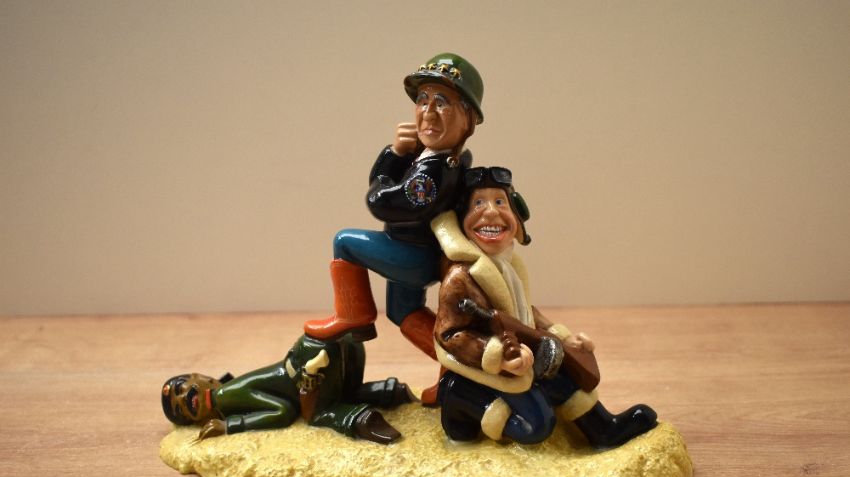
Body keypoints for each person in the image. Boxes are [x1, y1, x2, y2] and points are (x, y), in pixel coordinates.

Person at [432, 167, 657, 447]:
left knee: (566, 379)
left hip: (524, 355)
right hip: (485, 370)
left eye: (500, 202)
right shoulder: (460, 278)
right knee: (536, 427)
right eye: (478, 203)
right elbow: (450, 334)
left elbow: (523, 312)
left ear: (517, 216)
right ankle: (461, 397)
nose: (490, 212)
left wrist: (560, 335)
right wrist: (498, 356)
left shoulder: (507, 265)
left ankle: (602, 429)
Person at [304, 53, 484, 362]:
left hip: (415, 256)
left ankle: (353, 315)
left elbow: (382, 203)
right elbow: (380, 186)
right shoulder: (436, 158)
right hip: (416, 251)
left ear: (467, 119)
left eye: (442, 103)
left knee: (344, 242)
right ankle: (457, 365)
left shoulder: (436, 171)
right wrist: (396, 152)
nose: (428, 113)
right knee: (403, 312)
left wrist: (393, 160)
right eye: (422, 101)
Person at [161, 334, 414, 444]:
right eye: (179, 408)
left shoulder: (225, 396)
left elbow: (282, 411)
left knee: (316, 415)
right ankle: (391, 392)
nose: (182, 399)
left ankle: (362, 419)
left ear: (198, 377)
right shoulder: (228, 389)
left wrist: (229, 426)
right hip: (342, 344)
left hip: (314, 366)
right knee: (346, 394)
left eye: (180, 388)